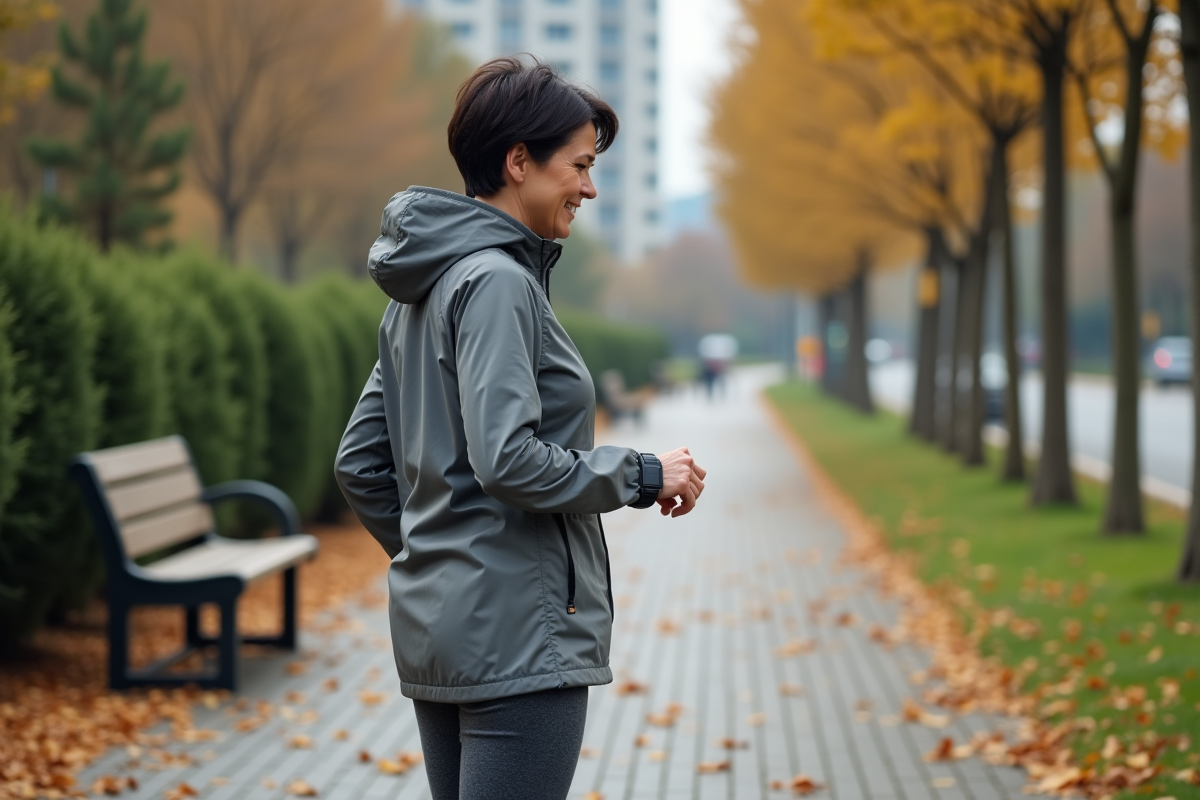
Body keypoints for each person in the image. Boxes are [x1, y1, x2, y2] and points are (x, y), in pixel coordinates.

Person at [334, 57, 707, 800]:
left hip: (444, 631)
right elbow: (507, 459)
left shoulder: (421, 288)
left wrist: (441, 562)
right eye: (579, 165)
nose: (590, 187)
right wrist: (640, 473)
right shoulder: (498, 282)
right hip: (518, 635)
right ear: (517, 162)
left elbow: (358, 463)